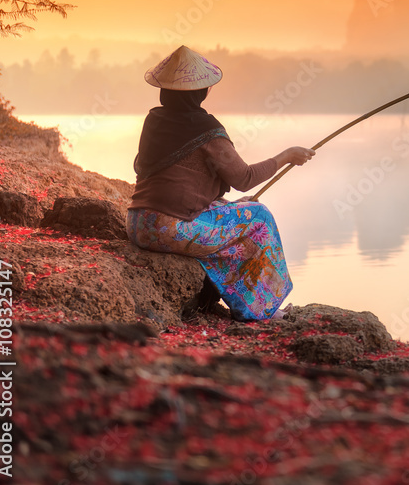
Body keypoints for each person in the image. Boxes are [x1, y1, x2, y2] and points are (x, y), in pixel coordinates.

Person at [126, 45, 314, 321]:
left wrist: (229, 205)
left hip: (137, 224)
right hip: (168, 230)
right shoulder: (206, 130)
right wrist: (286, 156)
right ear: (199, 92)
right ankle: (262, 309)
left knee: (230, 207)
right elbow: (245, 178)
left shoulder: (154, 120)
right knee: (259, 218)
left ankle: (239, 300)